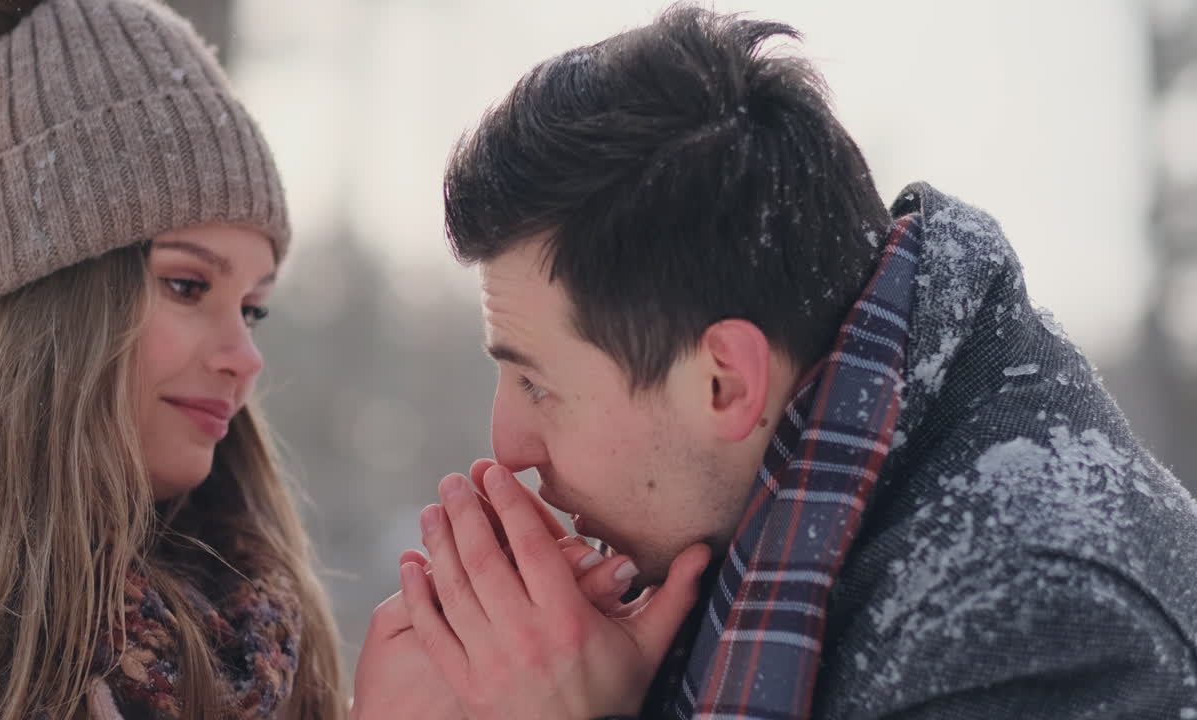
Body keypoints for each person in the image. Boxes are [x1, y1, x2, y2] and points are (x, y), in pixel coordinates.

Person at [380, 5, 1197, 719]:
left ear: (726, 383)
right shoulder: (774, 529)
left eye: (537, 383)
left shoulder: (1037, 632)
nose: (509, 444)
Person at [0, 0, 345, 717]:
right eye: (187, 285)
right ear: (47, 303)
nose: (246, 358)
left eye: (252, 308)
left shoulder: (277, 645)